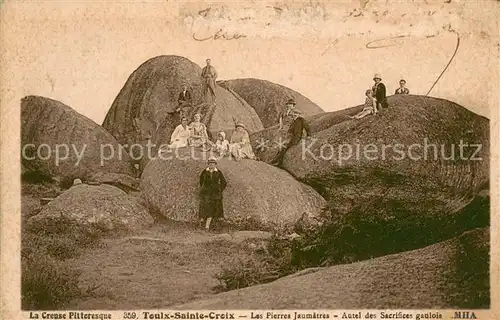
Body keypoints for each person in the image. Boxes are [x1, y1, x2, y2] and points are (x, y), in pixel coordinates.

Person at [199, 156, 227, 231]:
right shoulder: (204, 172)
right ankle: (206, 226)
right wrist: (204, 188)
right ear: (208, 164)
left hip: (216, 194)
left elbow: (224, 182)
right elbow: (201, 181)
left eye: (213, 163)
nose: (211, 165)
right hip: (207, 194)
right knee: (207, 208)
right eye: (210, 163)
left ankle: (214, 226)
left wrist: (219, 189)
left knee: (216, 209)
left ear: (215, 164)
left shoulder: (218, 172)